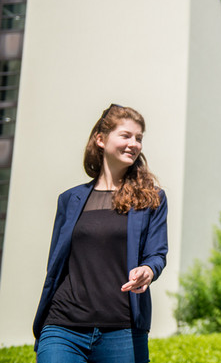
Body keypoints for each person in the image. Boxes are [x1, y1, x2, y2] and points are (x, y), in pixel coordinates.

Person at [33, 104, 168, 363]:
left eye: (139, 138)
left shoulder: (152, 199)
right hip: (63, 326)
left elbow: (157, 253)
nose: (134, 143)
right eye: (126, 135)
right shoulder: (69, 199)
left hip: (122, 329)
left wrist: (148, 271)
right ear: (101, 139)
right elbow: (56, 263)